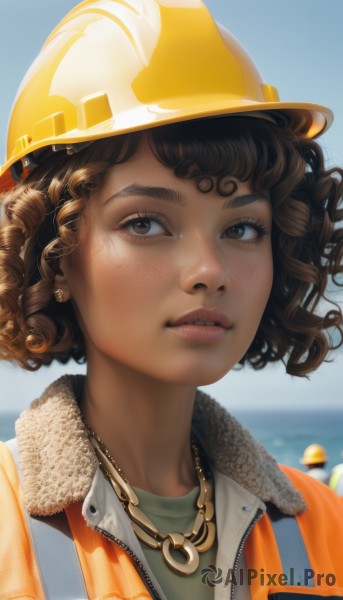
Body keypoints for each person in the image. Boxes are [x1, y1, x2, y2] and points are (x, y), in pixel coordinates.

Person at [0, 1, 342, 598]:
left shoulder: (328, 528)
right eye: (145, 223)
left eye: (242, 229)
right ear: (52, 252)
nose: (209, 271)